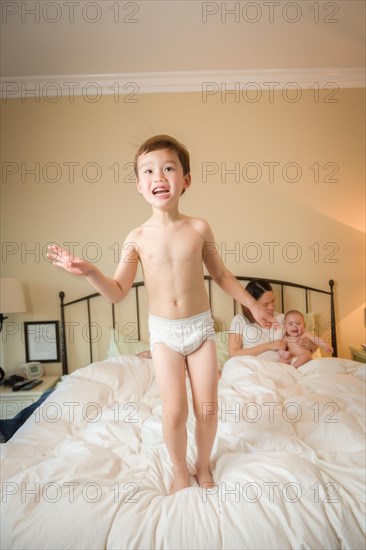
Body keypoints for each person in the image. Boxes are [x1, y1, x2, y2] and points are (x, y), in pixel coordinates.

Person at [48, 135, 277, 495]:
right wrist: (91, 271)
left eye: (169, 168)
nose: (160, 176)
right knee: (174, 412)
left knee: (207, 408)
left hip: (200, 330)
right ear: (139, 185)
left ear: (186, 179)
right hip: (164, 335)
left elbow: (220, 275)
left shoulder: (199, 228)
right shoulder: (136, 237)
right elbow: (119, 291)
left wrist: (252, 304)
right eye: (149, 171)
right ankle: (178, 469)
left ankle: (202, 464)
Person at [228, 279, 318, 360]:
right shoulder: (240, 320)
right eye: (265, 304)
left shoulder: (284, 319)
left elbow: (313, 346)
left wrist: (310, 345)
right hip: (253, 368)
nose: (271, 307)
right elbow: (234, 353)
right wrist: (270, 346)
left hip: (282, 367)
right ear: (252, 304)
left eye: (273, 300)